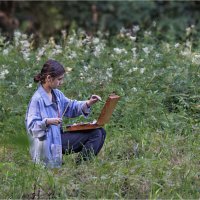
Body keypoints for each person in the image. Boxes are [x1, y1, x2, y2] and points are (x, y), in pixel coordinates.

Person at [25, 59, 106, 168]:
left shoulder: (57, 94)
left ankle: (82, 166)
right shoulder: (37, 99)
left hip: (58, 137)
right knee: (96, 134)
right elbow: (31, 127)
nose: (61, 82)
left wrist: (88, 103)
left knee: (99, 132)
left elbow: (70, 106)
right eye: (59, 79)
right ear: (49, 78)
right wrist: (47, 121)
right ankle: (79, 168)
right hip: (47, 143)